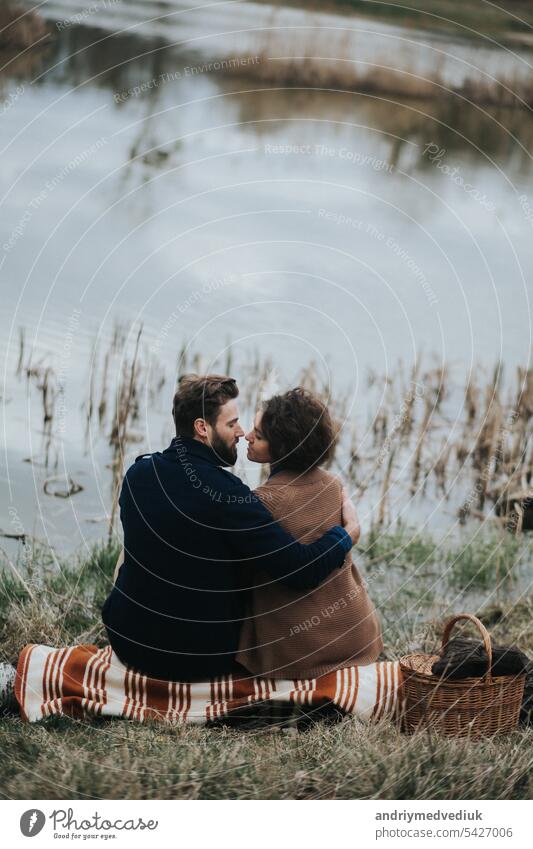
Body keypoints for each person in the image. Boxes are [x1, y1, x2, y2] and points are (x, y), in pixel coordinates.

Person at [101, 375, 359, 682]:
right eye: (232, 423)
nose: (240, 432)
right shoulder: (229, 495)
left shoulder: (138, 474)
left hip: (127, 642)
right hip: (195, 661)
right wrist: (345, 535)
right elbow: (300, 570)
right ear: (202, 428)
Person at [237, 387, 383, 679]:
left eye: (259, 434)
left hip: (299, 654)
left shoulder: (262, 502)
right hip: (358, 637)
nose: (247, 436)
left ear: (282, 448)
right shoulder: (334, 485)